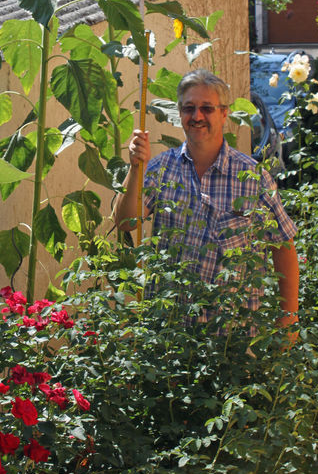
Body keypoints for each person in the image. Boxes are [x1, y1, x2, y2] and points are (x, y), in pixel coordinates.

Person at [113, 68, 299, 336]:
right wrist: (135, 169)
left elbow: (283, 246)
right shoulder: (161, 169)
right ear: (180, 113)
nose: (197, 116)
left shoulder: (252, 178)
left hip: (231, 341)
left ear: (224, 114)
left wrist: (288, 321)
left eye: (207, 108)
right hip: (168, 338)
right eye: (189, 108)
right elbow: (125, 222)